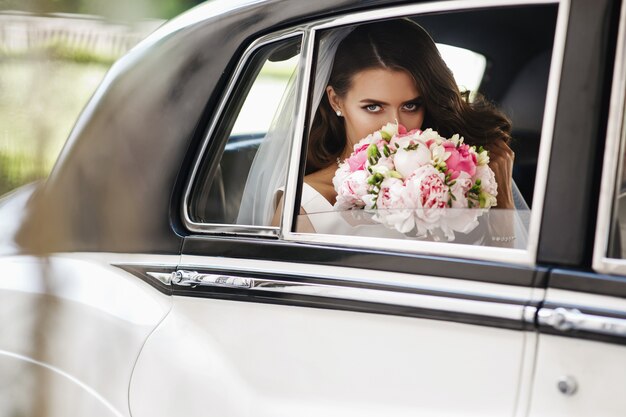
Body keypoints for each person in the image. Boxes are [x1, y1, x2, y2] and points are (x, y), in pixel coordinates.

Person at [272, 19, 518, 242]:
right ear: (336, 101)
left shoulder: (457, 182)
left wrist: (503, 206)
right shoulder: (303, 205)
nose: (395, 126)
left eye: (411, 105)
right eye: (373, 107)